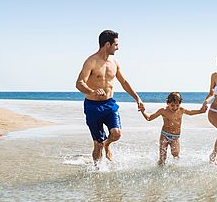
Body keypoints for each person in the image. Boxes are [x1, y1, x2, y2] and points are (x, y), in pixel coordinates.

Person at [76, 30, 144, 164]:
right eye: (116, 45)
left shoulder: (114, 63)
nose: (118, 48)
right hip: (93, 106)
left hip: (109, 104)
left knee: (117, 133)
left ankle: (108, 144)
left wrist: (137, 98)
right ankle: (97, 170)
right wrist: (92, 91)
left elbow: (124, 83)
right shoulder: (91, 61)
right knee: (98, 144)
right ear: (107, 44)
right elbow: (79, 83)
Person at [139, 92, 207, 165]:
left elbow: (190, 112)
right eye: (172, 105)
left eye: (177, 105)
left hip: (175, 137)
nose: (175, 107)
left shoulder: (181, 110)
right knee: (162, 157)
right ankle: (160, 170)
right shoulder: (163, 110)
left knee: (176, 155)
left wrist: (201, 111)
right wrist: (143, 111)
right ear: (167, 103)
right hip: (164, 135)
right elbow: (149, 118)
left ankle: (174, 170)